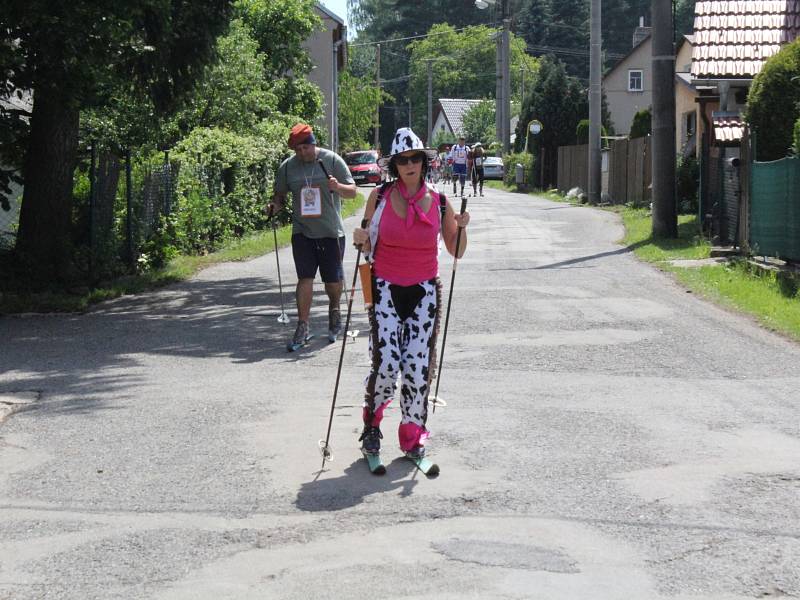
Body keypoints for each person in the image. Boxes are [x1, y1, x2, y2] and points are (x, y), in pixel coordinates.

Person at [352, 127, 471, 460]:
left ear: (424, 161)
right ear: (394, 165)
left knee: (417, 368)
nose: (409, 165)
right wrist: (360, 236)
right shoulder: (380, 197)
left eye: (414, 158)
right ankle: (372, 427)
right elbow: (366, 244)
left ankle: (412, 434)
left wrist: (462, 228)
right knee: (387, 363)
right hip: (386, 288)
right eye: (402, 160)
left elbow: (455, 250)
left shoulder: (440, 201)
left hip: (424, 292)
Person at [269, 123, 357, 351]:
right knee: (304, 278)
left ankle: (335, 310)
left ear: (313, 143)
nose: (301, 154)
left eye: (304, 149)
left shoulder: (332, 160)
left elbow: (353, 192)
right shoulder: (288, 168)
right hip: (302, 232)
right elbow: (279, 196)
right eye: (297, 150)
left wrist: (337, 187)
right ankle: (303, 325)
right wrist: (273, 207)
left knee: (332, 282)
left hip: (330, 232)